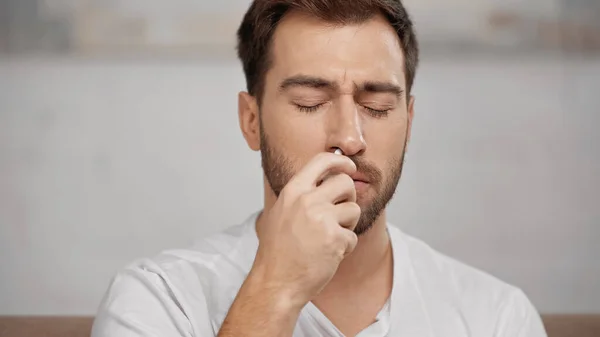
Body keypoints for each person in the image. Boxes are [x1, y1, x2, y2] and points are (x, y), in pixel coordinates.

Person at [91, 0, 548, 336]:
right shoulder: (160, 301)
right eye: (310, 102)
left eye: (378, 105)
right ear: (251, 121)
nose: (349, 138)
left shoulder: (496, 317)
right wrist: (276, 289)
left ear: (409, 122)